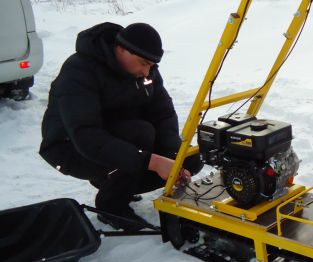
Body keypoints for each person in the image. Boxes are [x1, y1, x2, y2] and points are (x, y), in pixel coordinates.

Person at [39, 22, 203, 232]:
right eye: (143, 63)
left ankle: (119, 181)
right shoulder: (79, 71)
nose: (147, 72)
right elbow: (86, 136)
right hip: (71, 148)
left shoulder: (146, 71)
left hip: (123, 135)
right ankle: (111, 205)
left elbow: (163, 112)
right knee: (141, 133)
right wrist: (153, 162)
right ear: (121, 49)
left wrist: (172, 155)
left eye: (151, 65)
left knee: (190, 159)